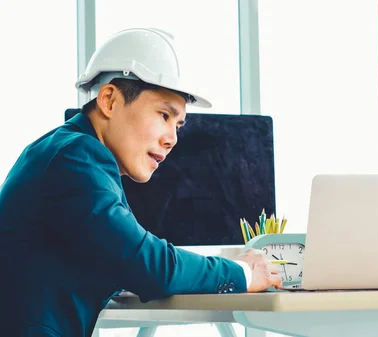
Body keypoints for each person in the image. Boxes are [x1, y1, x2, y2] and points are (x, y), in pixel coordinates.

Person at [0, 28, 282, 337]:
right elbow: (148, 263)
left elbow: (127, 259)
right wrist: (242, 272)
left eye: (178, 125)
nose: (172, 139)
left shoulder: (69, 152)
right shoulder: (76, 158)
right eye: (164, 115)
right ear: (109, 100)